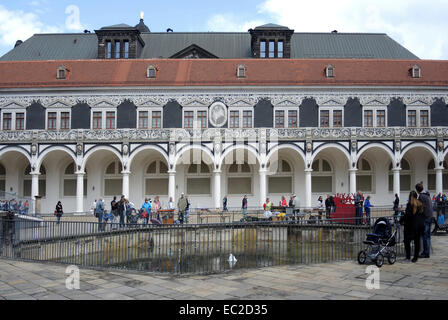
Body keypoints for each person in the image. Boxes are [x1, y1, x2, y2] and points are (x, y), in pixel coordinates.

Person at [400, 191, 425, 263]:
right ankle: (415, 257)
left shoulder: (409, 205)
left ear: (410, 196)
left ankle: (408, 257)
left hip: (410, 226)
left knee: (407, 241)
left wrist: (401, 220)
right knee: (417, 242)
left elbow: (407, 215)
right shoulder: (420, 204)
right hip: (419, 226)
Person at [416, 183, 433, 258]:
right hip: (430, 217)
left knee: (425, 236)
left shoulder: (421, 196)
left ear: (417, 190)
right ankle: (427, 252)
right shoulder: (427, 195)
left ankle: (425, 253)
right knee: (428, 236)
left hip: (425, 218)